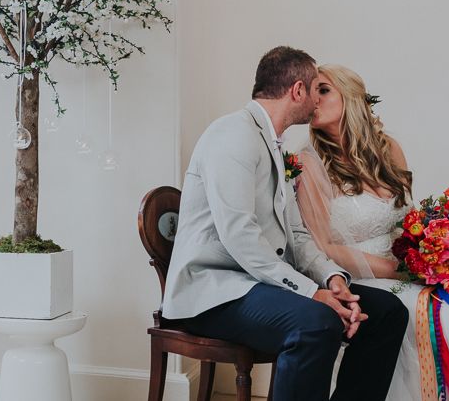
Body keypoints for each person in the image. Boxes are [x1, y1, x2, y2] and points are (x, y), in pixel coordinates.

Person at [162, 47, 408, 401]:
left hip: (256, 284)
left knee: (386, 312)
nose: (316, 102)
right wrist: (311, 293)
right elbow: (240, 237)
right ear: (297, 91)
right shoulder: (232, 135)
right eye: (314, 90)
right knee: (316, 323)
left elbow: (296, 233)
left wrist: (332, 279)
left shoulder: (276, 147)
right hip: (214, 293)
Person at [298, 64, 449, 401]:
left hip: (406, 267)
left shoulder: (389, 149)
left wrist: (439, 255)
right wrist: (401, 271)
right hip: (359, 276)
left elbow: (408, 221)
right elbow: (321, 246)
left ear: (351, 97)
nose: (312, 98)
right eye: (310, 91)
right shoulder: (309, 164)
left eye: (323, 89)